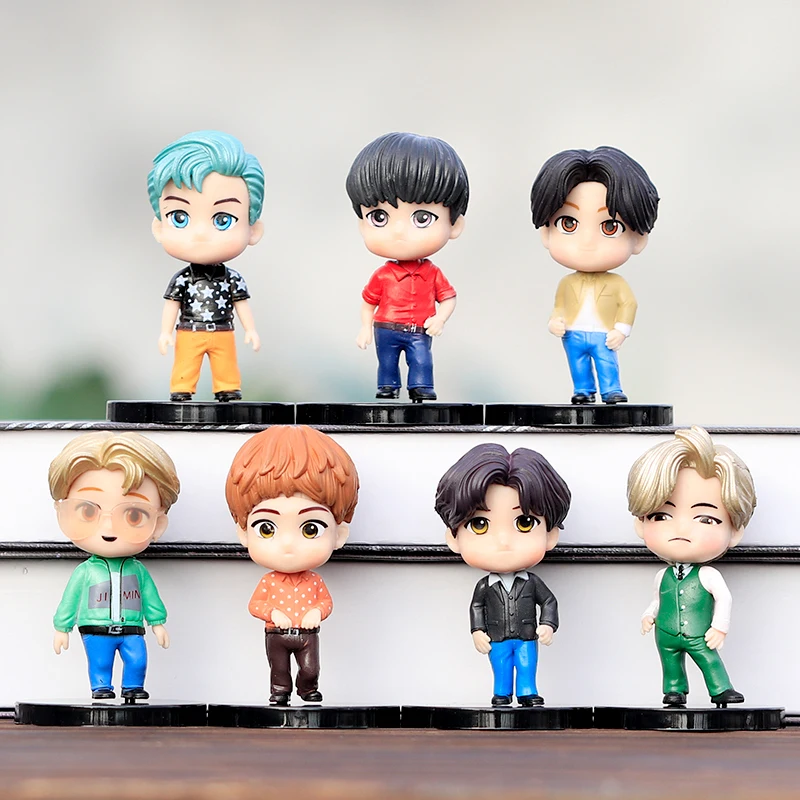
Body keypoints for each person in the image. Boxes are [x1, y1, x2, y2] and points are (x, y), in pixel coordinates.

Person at [225, 426, 359, 705]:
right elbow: (255, 605)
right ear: (243, 533)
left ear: (339, 534)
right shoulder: (269, 582)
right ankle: (280, 693)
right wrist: (272, 612)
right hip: (276, 633)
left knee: (310, 668)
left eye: (310, 529)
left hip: (307, 634)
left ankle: (308, 688)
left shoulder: (314, 581)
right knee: (279, 669)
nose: (288, 544)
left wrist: (317, 612)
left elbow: (325, 602)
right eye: (266, 528)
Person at [627, 426, 756, 707]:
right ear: (641, 524)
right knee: (670, 662)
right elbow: (657, 600)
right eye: (661, 516)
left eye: (706, 519)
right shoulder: (663, 575)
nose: (682, 529)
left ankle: (721, 689)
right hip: (666, 632)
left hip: (698, 632)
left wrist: (719, 627)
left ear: (735, 531)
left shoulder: (708, 574)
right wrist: (649, 615)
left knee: (708, 658)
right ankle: (674, 691)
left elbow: (724, 599)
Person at [434, 443, 571, 706]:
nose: (503, 541)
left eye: (525, 523)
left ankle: (527, 692)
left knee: (527, 664)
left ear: (551, 535)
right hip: (497, 637)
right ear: (453, 538)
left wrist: (548, 624)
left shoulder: (532, 582)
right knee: (500, 665)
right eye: (479, 524)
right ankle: (501, 693)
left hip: (526, 635)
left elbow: (549, 601)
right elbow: (476, 607)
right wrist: (477, 631)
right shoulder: (484, 586)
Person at [50, 432, 180, 700]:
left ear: (158, 524)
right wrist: (62, 627)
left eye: (133, 515)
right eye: (88, 511)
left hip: (132, 627)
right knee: (100, 663)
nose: (109, 528)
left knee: (137, 660)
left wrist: (157, 623)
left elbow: (150, 597)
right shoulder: (86, 571)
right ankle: (101, 689)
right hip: (95, 629)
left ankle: (133, 688)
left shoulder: (137, 570)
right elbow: (70, 599)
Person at [531, 146, 659, 404]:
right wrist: (555, 321)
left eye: (610, 226)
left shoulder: (617, 283)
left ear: (639, 239)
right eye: (568, 223)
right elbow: (560, 305)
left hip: (602, 333)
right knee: (577, 363)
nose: (587, 242)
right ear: (546, 233)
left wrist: (621, 330)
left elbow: (629, 304)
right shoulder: (567, 283)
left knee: (606, 361)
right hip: (573, 333)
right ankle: (583, 390)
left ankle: (611, 390)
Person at [348, 132, 469, 401]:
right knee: (387, 363)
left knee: (422, 361)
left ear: (455, 224)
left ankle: (421, 388)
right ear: (362, 224)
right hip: (386, 328)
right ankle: (388, 387)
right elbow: (368, 302)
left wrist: (440, 318)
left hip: (419, 329)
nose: (399, 231)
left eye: (422, 218)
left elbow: (448, 298)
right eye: (379, 217)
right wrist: (365, 327)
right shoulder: (383, 275)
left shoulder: (432, 273)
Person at [148, 130, 264, 401]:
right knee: (185, 367)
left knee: (226, 368)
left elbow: (241, 303)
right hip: (189, 331)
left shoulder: (231, 278)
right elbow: (172, 304)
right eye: (179, 217)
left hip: (223, 331)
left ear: (253, 230)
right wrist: (165, 332)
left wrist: (251, 330)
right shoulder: (183, 279)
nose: (200, 234)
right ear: (159, 228)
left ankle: (227, 390)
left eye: (223, 220)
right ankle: (181, 391)